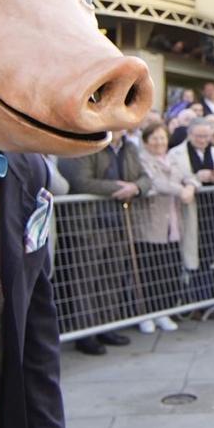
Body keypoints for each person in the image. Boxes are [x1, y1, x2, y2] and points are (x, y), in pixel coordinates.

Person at [59, 135, 143, 356]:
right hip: (90, 225)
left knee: (111, 278)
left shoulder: (130, 147)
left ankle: (107, 327)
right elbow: (80, 181)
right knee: (85, 280)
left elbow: (145, 177)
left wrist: (135, 187)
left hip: (119, 223)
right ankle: (86, 334)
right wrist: (118, 188)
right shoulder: (87, 144)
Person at [172, 119, 214, 305]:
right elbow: (173, 180)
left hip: (213, 210)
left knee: (211, 254)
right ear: (190, 135)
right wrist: (196, 178)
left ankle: (207, 299)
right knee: (191, 254)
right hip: (190, 209)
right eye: (199, 136)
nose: (203, 140)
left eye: (206, 136)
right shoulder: (177, 153)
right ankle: (191, 300)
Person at [131, 121, 189, 335]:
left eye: (162, 138)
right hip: (149, 224)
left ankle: (163, 312)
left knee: (168, 270)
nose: (159, 142)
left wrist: (191, 185)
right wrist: (181, 190)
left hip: (172, 225)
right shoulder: (142, 159)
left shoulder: (172, 158)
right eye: (154, 138)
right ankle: (145, 315)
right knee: (148, 272)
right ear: (146, 141)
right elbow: (155, 183)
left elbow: (188, 176)